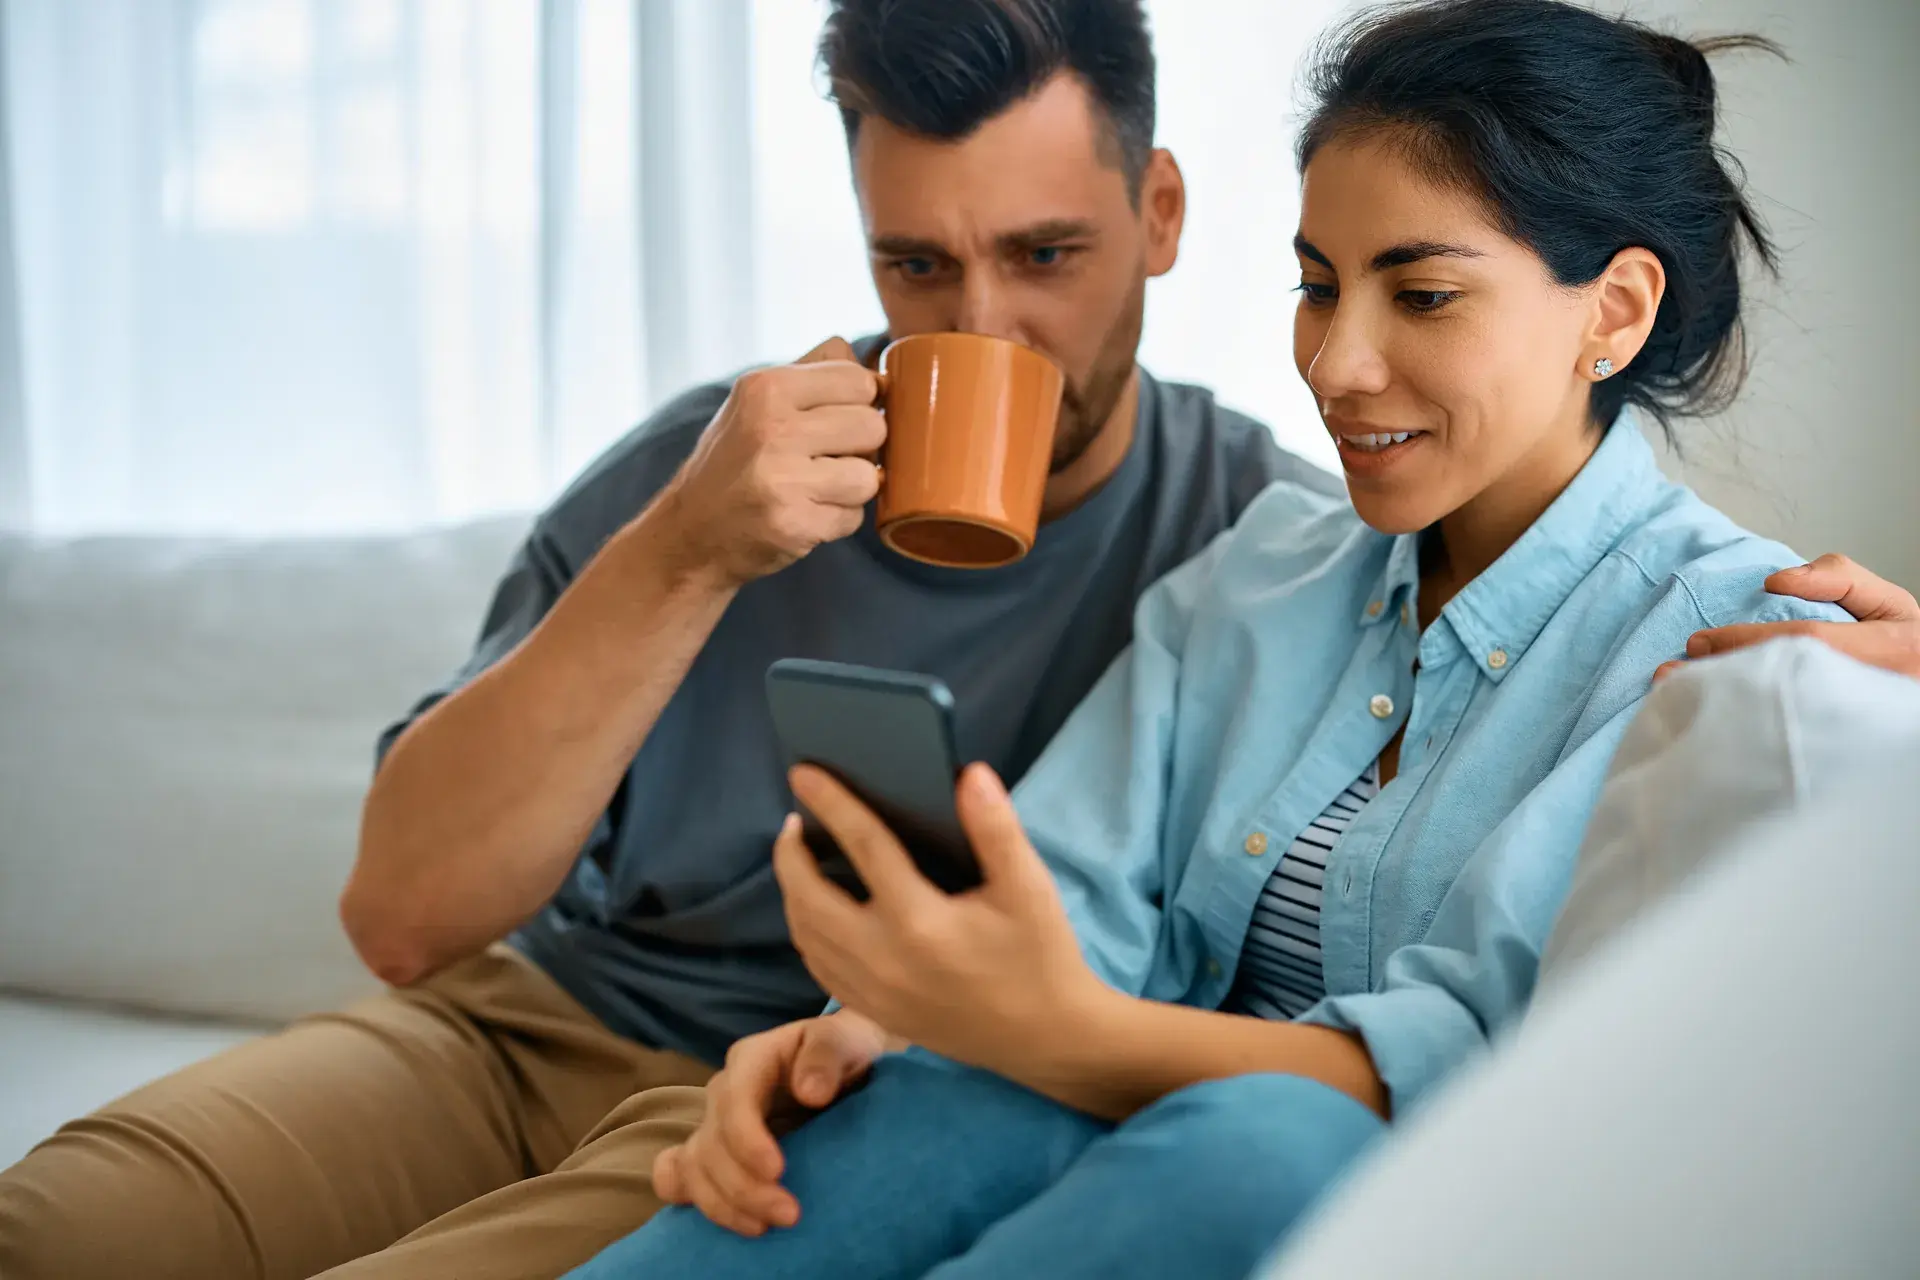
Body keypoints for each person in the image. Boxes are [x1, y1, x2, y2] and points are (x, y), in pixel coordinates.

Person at [0, 4, 1343, 1279]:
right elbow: (405, 920)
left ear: (1158, 212)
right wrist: (692, 548)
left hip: (815, 1099)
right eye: (916, 264)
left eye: (1044, 255)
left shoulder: (1267, 546)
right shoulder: (721, 469)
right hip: (522, 1028)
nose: (979, 325)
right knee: (50, 1237)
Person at [567, 3, 1857, 1277]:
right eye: (1318, 286)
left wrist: (1064, 1032)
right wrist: (867, 1029)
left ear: (1615, 311)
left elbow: (1483, 1067)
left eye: (1421, 293)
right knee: (920, 1104)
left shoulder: (1753, 657)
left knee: (1279, 1138)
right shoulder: (1255, 574)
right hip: (1130, 1152)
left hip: (1386, 1203)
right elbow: (1067, 890)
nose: (1337, 362)